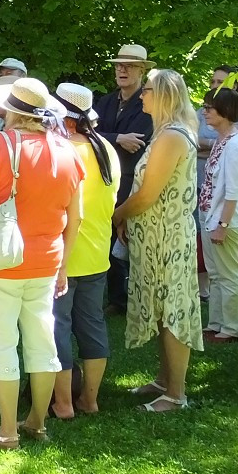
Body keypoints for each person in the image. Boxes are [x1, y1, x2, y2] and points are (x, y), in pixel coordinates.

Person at [0, 77, 83, 448]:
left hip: (0, 260)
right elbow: (75, 218)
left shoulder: (1, 145)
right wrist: (63, 266)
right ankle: (37, 424)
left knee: (1, 343)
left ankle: (8, 430)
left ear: (14, 111)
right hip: (47, 263)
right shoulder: (67, 149)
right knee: (43, 343)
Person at [112, 69, 201, 411]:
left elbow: (148, 194)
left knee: (173, 311)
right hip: (155, 236)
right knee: (161, 310)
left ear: (162, 95)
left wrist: (118, 214)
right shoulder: (166, 131)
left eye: (147, 90)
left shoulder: (172, 136)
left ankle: (176, 395)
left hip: (168, 238)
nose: (142, 95)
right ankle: (165, 380)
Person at [49, 83, 120, 418]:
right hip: (97, 254)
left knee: (56, 327)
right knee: (93, 325)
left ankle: (62, 404)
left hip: (62, 254)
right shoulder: (106, 148)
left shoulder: (62, 150)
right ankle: (89, 400)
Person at [93, 44, 155, 313]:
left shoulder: (148, 104)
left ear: (142, 70)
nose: (122, 69)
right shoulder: (105, 102)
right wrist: (117, 138)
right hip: (102, 180)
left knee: (132, 240)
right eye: (118, 65)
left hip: (133, 183)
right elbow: (87, 133)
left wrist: (104, 138)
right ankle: (117, 299)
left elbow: (139, 143)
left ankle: (142, 299)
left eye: (128, 65)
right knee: (105, 239)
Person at [198, 87, 238, 343]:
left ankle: (234, 328)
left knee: (228, 275)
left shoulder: (235, 145)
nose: (204, 112)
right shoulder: (221, 140)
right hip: (211, 217)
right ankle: (216, 323)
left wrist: (223, 225)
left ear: (225, 111)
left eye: (209, 108)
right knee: (215, 273)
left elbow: (234, 191)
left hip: (224, 221)